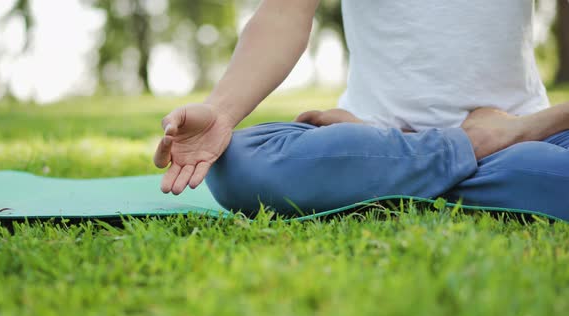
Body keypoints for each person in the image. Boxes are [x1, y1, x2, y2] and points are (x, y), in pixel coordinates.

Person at [154, 0, 569, 220]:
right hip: (372, 133)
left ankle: (385, 174)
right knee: (237, 166)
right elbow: (283, 12)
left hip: (532, 132)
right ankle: (474, 147)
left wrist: (539, 123)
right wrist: (221, 112)